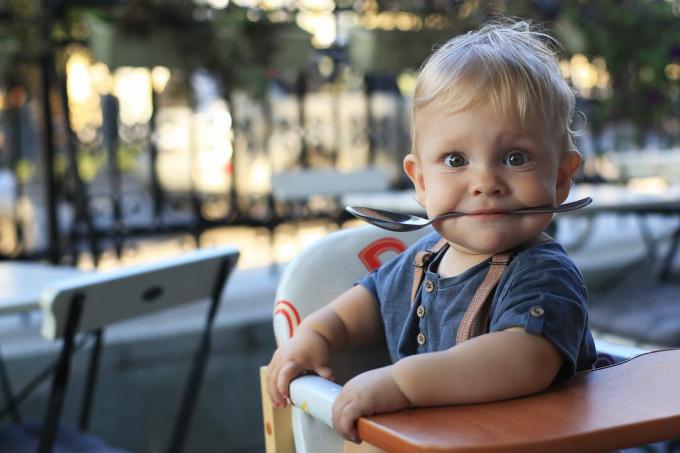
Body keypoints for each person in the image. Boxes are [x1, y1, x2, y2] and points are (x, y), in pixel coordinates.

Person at [266, 19, 597, 447]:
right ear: (420, 181)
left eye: (515, 158)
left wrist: (402, 383)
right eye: (456, 160)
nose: (485, 182)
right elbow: (363, 305)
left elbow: (524, 359)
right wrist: (316, 335)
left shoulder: (542, 273)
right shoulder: (424, 259)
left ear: (560, 179)